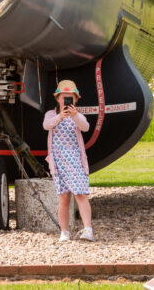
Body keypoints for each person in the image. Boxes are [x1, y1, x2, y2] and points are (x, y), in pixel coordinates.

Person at [42, 79, 94, 242]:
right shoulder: (52, 114)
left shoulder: (78, 116)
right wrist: (60, 116)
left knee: (80, 193)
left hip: (75, 161)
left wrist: (74, 116)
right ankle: (64, 232)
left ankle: (88, 230)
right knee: (64, 197)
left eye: (69, 97)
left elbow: (85, 127)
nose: (66, 100)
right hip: (58, 162)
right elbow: (47, 125)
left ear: (75, 99)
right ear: (58, 99)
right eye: (63, 97)